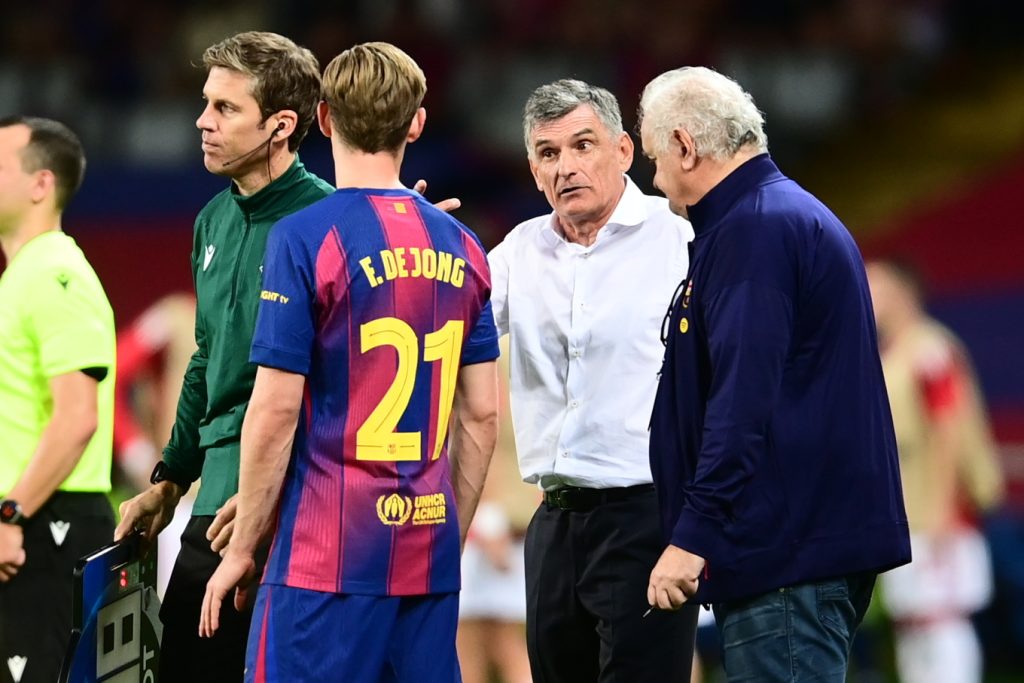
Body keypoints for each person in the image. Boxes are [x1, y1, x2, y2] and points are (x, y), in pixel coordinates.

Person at [199, 42, 500, 683]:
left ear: (325, 118)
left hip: (322, 559)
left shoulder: (305, 237)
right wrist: (443, 538)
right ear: (416, 124)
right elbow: (480, 416)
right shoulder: (465, 247)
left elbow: (275, 410)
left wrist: (243, 547)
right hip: (426, 560)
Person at [640, 66, 912, 682]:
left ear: (684, 145)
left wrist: (693, 535)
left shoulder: (754, 230)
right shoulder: (778, 215)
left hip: (784, 553)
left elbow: (741, 401)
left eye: (655, 158)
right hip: (796, 548)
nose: (655, 180)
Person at [113, 31, 335, 682]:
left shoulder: (329, 220)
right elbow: (205, 360)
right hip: (214, 501)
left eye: (225, 108)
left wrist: (272, 488)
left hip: (302, 508)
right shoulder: (211, 220)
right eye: (206, 104)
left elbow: (348, 380)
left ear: (281, 126)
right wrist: (169, 480)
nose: (202, 121)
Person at [488, 78, 697, 683]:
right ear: (534, 171)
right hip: (552, 522)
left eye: (583, 145)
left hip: (648, 517)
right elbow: (446, 323)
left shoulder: (679, 237)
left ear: (624, 151)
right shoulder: (518, 250)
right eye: (548, 153)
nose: (566, 167)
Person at [0, 116, 116, 683]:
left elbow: (76, 418)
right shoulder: (24, 277)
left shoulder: (55, 275)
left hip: (44, 525)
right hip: (28, 523)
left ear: (41, 184)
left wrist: (10, 513)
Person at [867, 258, 1005, 683]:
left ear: (902, 294)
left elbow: (949, 429)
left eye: (876, 288)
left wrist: (944, 510)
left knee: (941, 621)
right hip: (909, 512)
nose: (867, 297)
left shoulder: (929, 350)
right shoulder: (892, 353)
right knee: (913, 622)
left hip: (939, 515)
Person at [457, 339, 536, 683]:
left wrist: (488, 517)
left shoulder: (494, 345)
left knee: (499, 645)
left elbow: (483, 424)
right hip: (508, 518)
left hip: (498, 522)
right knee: (478, 644)